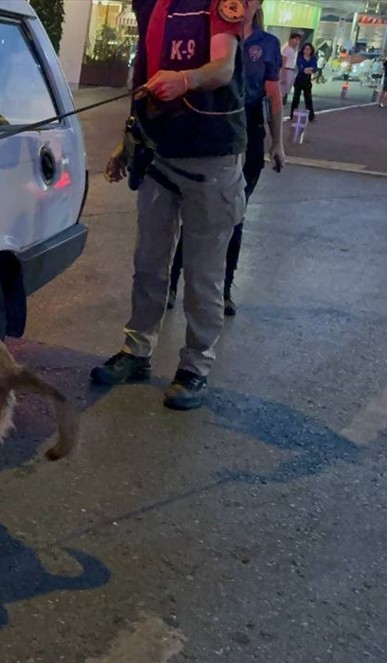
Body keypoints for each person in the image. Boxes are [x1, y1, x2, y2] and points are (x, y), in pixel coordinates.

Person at [94, 0, 249, 411]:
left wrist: (185, 80)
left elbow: (224, 67)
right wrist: (127, 140)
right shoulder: (150, 3)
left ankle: (195, 365)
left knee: (203, 273)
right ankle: (137, 351)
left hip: (212, 158)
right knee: (148, 263)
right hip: (160, 153)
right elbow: (143, 76)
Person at [168, 5, 285, 316]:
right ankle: (171, 282)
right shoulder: (208, 28)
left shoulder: (267, 44)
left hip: (250, 129)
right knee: (193, 210)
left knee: (235, 213)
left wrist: (279, 144)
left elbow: (273, 96)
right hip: (210, 125)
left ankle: (224, 289)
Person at [290, 43, 317, 121]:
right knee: (296, 98)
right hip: (299, 79)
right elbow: (302, 69)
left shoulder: (313, 58)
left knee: (308, 98)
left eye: (309, 49)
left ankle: (311, 116)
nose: (307, 51)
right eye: (306, 49)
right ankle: (292, 115)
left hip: (307, 80)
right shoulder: (300, 57)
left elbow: (314, 68)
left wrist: (309, 69)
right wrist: (309, 69)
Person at [280, 32, 300, 104]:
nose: (297, 42)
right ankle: (281, 101)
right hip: (286, 70)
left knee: (288, 88)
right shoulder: (286, 49)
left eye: (298, 40)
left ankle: (283, 99)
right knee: (283, 87)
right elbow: (283, 62)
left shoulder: (294, 50)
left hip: (292, 71)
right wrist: (283, 75)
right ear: (291, 40)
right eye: (296, 40)